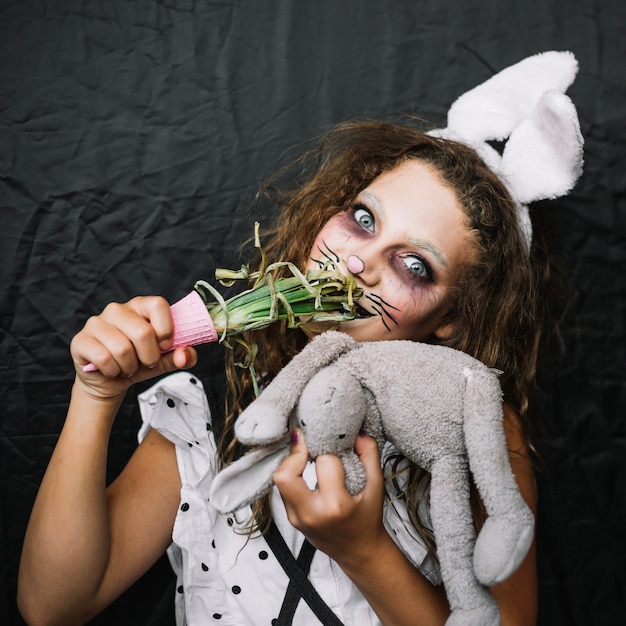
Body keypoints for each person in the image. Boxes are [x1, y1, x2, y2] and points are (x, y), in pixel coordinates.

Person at [18, 53, 583, 625]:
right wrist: (95, 398)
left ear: (453, 319)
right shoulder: (220, 407)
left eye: (413, 265)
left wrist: (364, 551)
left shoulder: (468, 425)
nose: (358, 261)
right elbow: (52, 608)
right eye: (363, 220)